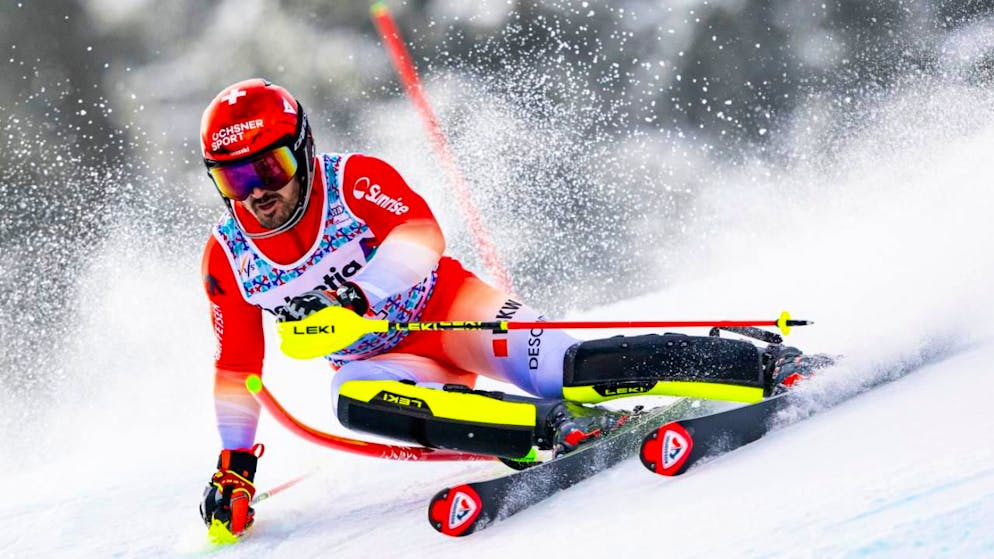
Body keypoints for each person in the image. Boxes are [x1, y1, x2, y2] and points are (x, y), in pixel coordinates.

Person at [196, 78, 828, 537]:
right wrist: (234, 470)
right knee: (353, 400)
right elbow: (237, 366)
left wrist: (358, 297)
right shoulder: (229, 255)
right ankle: (551, 429)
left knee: (568, 364)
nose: (256, 196)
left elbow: (422, 237)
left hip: (449, 313)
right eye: (233, 181)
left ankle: (757, 364)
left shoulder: (352, 179)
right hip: (386, 364)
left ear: (302, 150)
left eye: (269, 169)